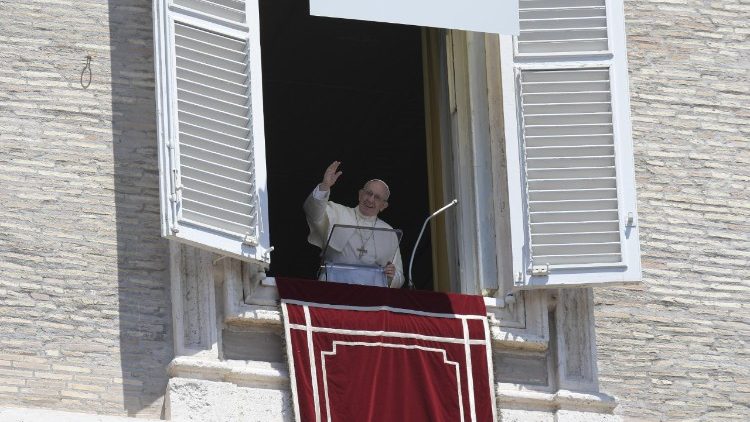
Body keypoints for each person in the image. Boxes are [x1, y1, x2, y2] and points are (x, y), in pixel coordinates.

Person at [304, 161, 405, 288]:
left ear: (383, 206)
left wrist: (392, 276)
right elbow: (313, 212)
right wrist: (325, 186)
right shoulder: (337, 212)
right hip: (334, 286)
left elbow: (399, 276)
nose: (370, 199)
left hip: (372, 294)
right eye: (368, 193)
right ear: (360, 194)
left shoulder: (388, 232)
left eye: (377, 197)